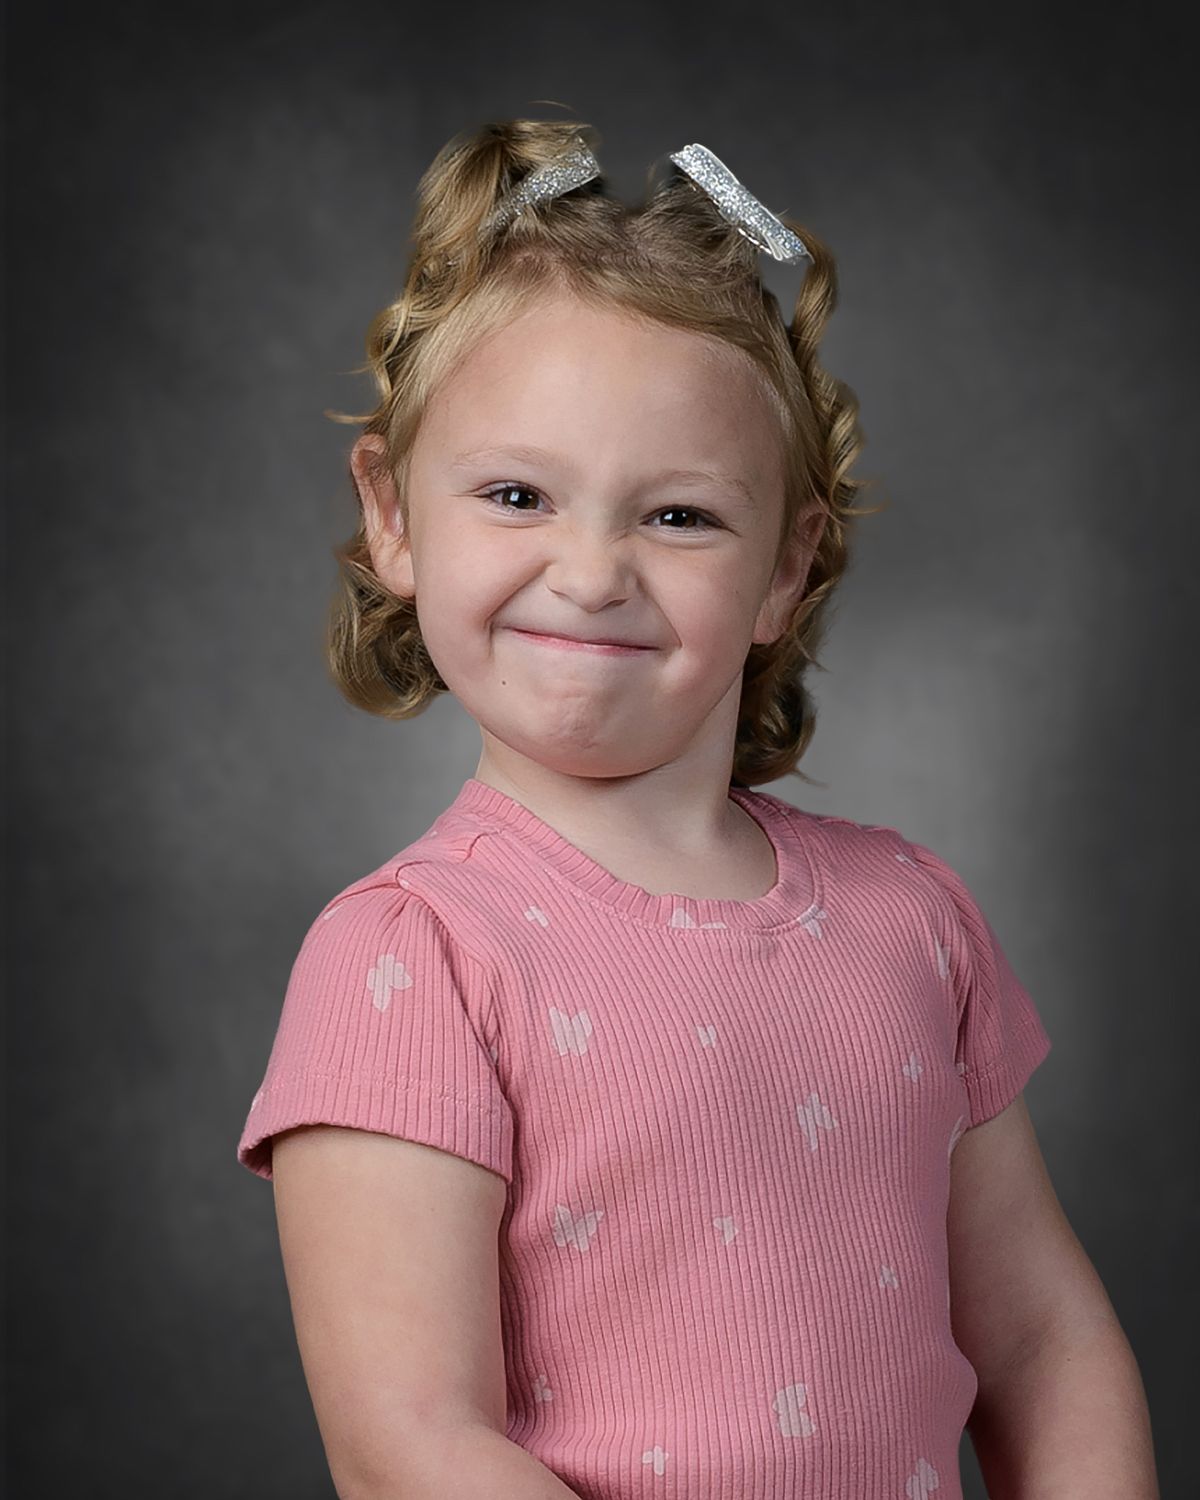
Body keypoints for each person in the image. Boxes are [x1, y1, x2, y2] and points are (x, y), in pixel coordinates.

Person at [235, 119, 1159, 1500]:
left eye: (677, 517)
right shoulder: (408, 959)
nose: (592, 571)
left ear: (787, 567)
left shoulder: (912, 915)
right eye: (515, 495)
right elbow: (413, 1449)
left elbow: (1042, 1341)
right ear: (395, 516)